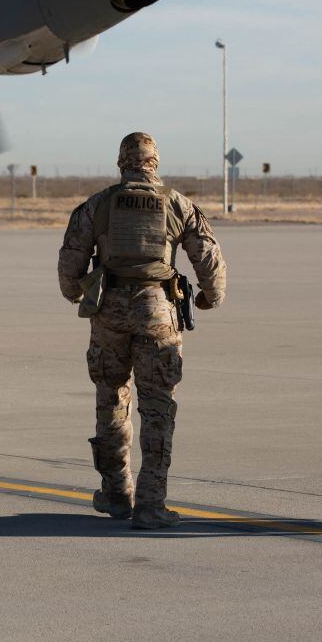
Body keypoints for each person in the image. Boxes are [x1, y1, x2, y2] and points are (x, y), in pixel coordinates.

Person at [57, 132, 226, 529]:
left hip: (109, 314)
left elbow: (69, 265)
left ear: (122, 163)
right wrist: (209, 297)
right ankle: (151, 504)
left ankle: (117, 494)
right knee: (157, 407)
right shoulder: (177, 204)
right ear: (155, 162)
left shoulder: (97, 205)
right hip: (158, 311)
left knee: (111, 401)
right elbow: (209, 259)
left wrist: (76, 292)